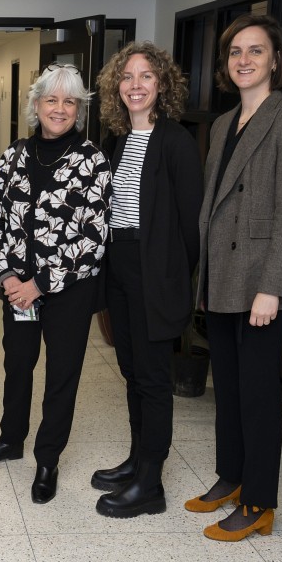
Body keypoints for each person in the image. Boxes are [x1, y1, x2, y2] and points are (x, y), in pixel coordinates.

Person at [183, 15, 282, 541]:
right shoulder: (223, 124)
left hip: (260, 284)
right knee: (229, 388)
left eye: (255, 51)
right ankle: (232, 477)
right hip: (222, 279)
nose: (244, 60)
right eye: (235, 52)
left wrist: (273, 287)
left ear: (276, 61)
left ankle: (260, 501)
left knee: (259, 397)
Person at [0, 63, 110, 504]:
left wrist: (40, 283)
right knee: (17, 363)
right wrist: (8, 275)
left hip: (68, 291)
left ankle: (48, 458)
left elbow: (93, 237)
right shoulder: (15, 155)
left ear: (79, 109)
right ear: (36, 105)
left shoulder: (92, 160)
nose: (60, 109)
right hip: (18, 288)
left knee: (61, 374)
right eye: (51, 100)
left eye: (69, 101)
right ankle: (11, 438)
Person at [91, 42, 204, 518]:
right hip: (120, 264)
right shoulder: (116, 139)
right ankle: (139, 461)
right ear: (117, 87)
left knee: (154, 379)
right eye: (127, 77)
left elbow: (190, 223)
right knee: (132, 371)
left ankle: (151, 485)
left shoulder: (175, 140)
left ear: (162, 86)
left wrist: (175, 281)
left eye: (146, 77)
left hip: (156, 272)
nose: (135, 85)